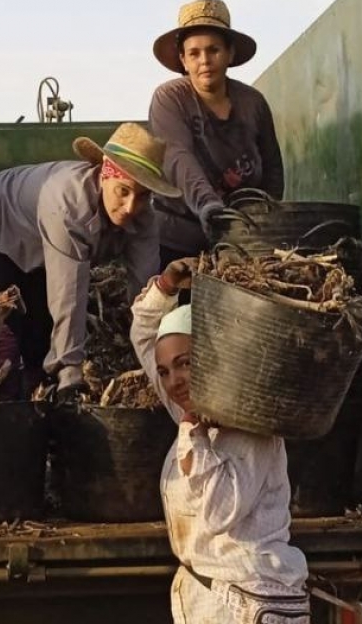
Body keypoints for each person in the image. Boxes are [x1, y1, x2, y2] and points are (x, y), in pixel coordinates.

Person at [130, 260, 310, 624]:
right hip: (217, 596)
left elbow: (219, 512)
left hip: (246, 601)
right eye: (164, 371)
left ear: (213, 357)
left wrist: (192, 436)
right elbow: (149, 338)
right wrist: (166, 286)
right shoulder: (194, 412)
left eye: (186, 363)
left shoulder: (249, 427)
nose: (173, 380)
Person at [0, 122, 181, 402]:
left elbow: (145, 291)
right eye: (123, 191)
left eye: (143, 196)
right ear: (105, 175)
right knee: (2, 336)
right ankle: (3, 414)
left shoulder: (144, 218)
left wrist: (157, 360)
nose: (131, 207)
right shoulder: (67, 204)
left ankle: (41, 412)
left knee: (39, 340)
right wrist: (71, 371)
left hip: (35, 249)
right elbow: (68, 292)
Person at [149, 0, 285, 267]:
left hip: (239, 240)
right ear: (183, 61)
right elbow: (177, 156)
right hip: (177, 235)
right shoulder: (170, 98)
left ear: (230, 54)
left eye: (214, 50)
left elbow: (272, 169)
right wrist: (209, 206)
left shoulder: (253, 103)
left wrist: (263, 224)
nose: (205, 61)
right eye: (194, 53)